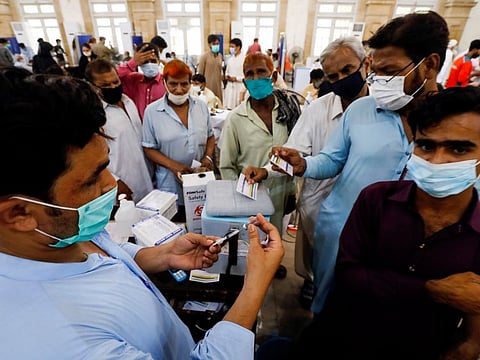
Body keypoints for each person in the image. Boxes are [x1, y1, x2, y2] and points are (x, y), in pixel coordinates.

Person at [0, 66, 285, 359]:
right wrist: (254, 285)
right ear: (19, 214)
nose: (111, 183)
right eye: (92, 179)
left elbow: (105, 250)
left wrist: (162, 255)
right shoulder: (61, 342)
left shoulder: (57, 232)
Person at [269, 11, 449, 314]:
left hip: (404, 247)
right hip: (340, 230)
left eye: (390, 72)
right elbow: (333, 159)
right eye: (376, 72)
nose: (380, 83)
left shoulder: (456, 124)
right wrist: (304, 165)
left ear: (429, 65)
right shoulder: (362, 110)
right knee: (328, 310)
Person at [296, 87, 480, 360]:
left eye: (458, 148)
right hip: (340, 339)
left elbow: (471, 336)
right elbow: (348, 276)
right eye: (426, 146)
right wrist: (433, 290)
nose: (438, 161)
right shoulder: (377, 200)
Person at [245, 36, 369, 308]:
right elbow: (294, 155)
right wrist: (266, 172)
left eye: (348, 70)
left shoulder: (382, 111)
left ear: (366, 64)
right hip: (321, 209)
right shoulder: (318, 111)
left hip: (365, 212)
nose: (341, 80)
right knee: (321, 272)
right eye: (333, 76)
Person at [219, 52, 301, 277]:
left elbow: (296, 151)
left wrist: (293, 191)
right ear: (244, 81)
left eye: (261, 72)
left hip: (282, 190)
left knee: (277, 232)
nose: (255, 78)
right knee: (253, 241)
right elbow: (226, 165)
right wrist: (238, 199)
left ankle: (273, 263)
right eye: (249, 74)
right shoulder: (236, 119)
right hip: (251, 196)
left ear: (273, 75)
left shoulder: (288, 110)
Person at [142, 59, 216, 219]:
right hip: (170, 183)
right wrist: (174, 166)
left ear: (191, 83)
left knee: (200, 220)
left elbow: (210, 136)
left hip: (199, 180)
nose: (179, 90)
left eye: (184, 84)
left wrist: (207, 157)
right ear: (164, 82)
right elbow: (148, 148)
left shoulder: (201, 107)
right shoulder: (153, 112)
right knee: (175, 224)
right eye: (173, 84)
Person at [85, 59, 154, 203]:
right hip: (123, 186)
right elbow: (90, 158)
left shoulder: (128, 101)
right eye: (105, 85)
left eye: (115, 82)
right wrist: (115, 183)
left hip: (147, 178)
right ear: (93, 86)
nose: (113, 87)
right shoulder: (94, 115)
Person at [117, 42, 166, 119]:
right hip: (139, 128)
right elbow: (114, 77)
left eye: (153, 61)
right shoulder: (134, 80)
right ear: (139, 64)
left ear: (159, 61)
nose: (149, 65)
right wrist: (133, 63)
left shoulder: (166, 82)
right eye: (145, 62)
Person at [197, 34, 224, 103]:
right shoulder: (204, 56)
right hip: (208, 86)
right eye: (214, 44)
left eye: (217, 44)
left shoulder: (220, 56)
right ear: (209, 44)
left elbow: (220, 70)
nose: (216, 45)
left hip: (218, 86)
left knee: (218, 103)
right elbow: (200, 74)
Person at [224, 38, 246, 109]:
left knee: (238, 108)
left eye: (232, 47)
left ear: (238, 47)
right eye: (230, 47)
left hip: (239, 86)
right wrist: (227, 76)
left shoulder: (244, 59)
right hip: (230, 86)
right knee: (228, 106)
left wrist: (237, 78)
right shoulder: (230, 59)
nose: (231, 49)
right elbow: (227, 71)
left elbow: (246, 75)